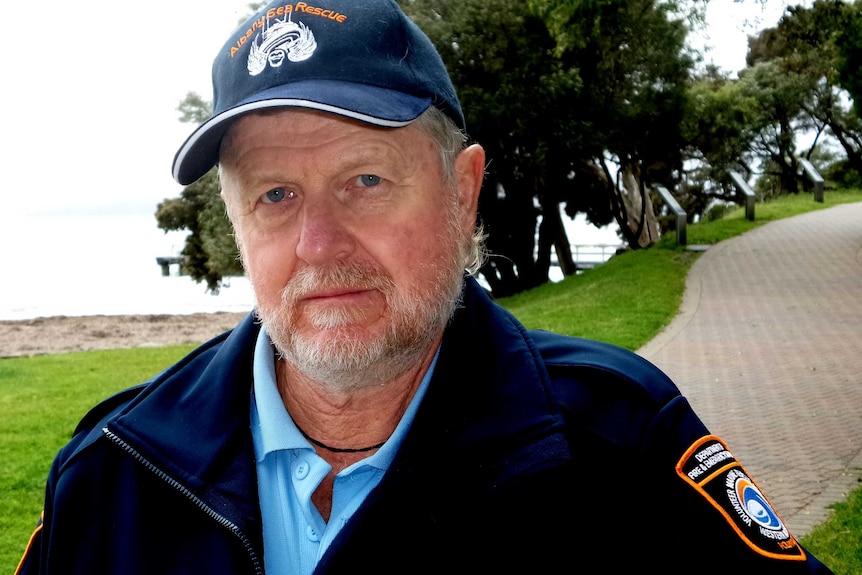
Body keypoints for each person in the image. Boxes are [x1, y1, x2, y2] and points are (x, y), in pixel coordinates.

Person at [17, 1, 833, 573]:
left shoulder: (620, 453)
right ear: (236, 222)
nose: (318, 244)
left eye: (365, 179)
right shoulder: (113, 474)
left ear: (464, 190)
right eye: (274, 195)